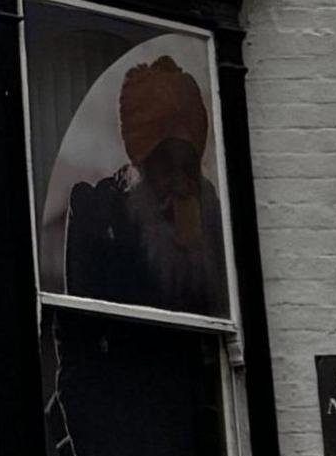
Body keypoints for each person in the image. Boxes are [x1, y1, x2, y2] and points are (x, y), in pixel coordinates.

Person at [58, 54, 228, 317]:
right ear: (143, 164)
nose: (180, 183)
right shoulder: (97, 211)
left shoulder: (213, 217)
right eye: (166, 165)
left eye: (188, 167)